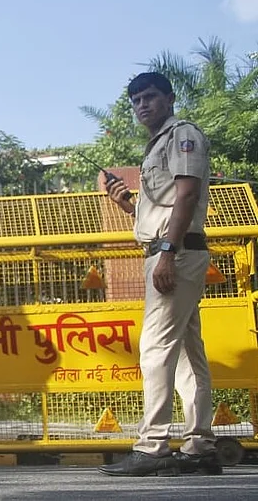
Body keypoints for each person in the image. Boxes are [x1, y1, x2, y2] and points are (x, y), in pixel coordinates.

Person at [98, 72, 219, 477]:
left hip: (175, 253)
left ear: (169, 98)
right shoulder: (159, 144)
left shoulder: (182, 135)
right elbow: (165, 206)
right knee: (187, 352)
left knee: (155, 349)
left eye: (149, 97)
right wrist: (127, 205)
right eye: (135, 100)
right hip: (172, 249)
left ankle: (151, 446)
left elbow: (186, 195)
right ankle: (200, 445)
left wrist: (166, 252)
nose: (141, 106)